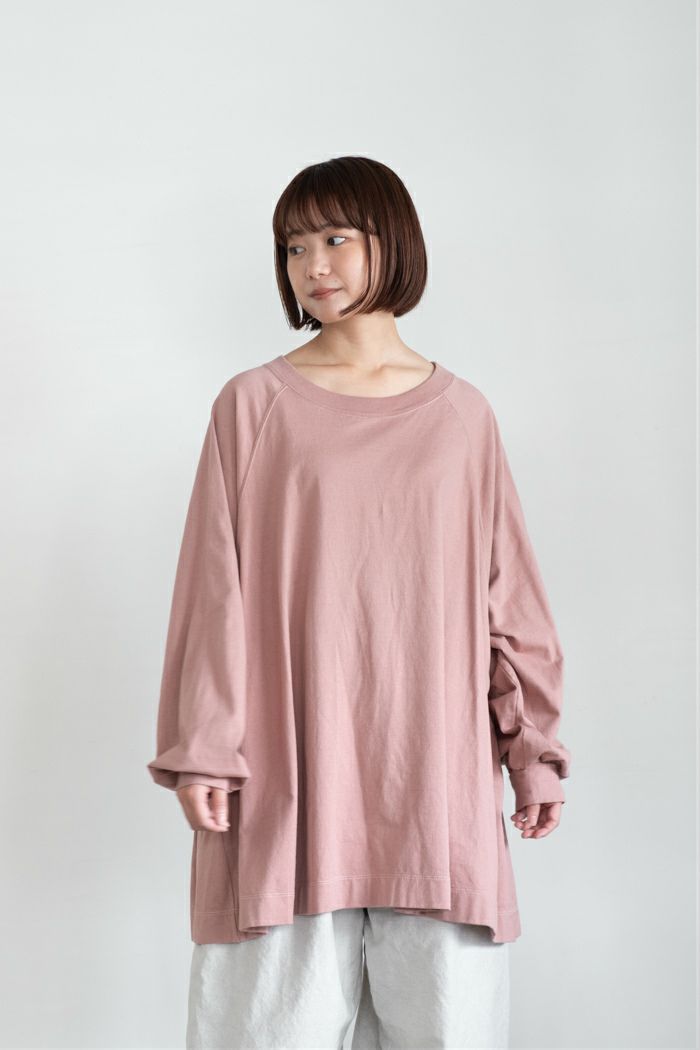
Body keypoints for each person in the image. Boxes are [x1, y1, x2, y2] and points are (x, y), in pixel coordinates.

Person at [147, 155, 571, 1049]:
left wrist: (532, 754)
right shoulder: (252, 406)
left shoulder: (462, 417)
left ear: (393, 240)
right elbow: (213, 592)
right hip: (286, 791)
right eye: (294, 247)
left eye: (335, 238)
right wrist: (204, 749)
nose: (314, 266)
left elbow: (510, 604)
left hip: (436, 794)